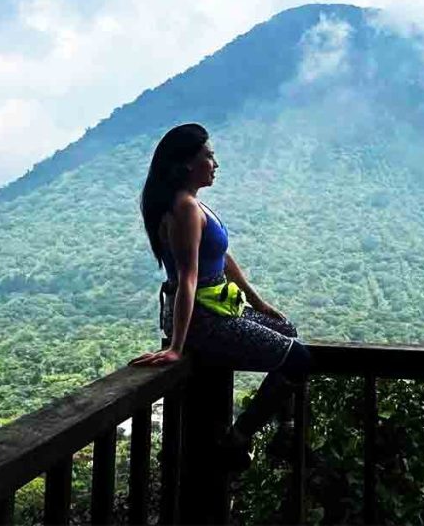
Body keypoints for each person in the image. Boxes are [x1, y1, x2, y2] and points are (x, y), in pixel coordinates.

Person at [129, 122, 311, 471]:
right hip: (204, 320)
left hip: (221, 309)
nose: (215, 164)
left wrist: (259, 304)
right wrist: (177, 347)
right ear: (186, 164)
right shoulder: (184, 208)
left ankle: (283, 429)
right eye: (208, 157)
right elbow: (187, 278)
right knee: (299, 359)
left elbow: (223, 258)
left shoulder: (197, 206)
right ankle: (239, 437)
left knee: (287, 330)